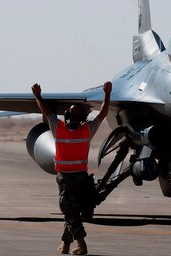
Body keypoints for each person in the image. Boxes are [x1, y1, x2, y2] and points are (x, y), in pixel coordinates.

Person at [32, 81, 112, 255]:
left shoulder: (58, 128)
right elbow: (103, 113)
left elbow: (46, 111)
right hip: (81, 178)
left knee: (69, 211)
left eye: (76, 116)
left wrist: (38, 96)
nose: (75, 119)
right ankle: (65, 244)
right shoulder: (87, 130)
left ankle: (81, 244)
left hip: (66, 179)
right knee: (73, 210)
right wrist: (107, 94)